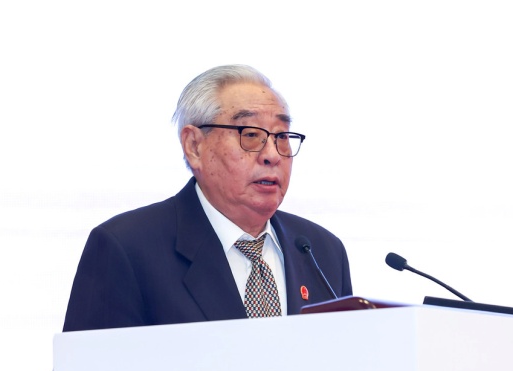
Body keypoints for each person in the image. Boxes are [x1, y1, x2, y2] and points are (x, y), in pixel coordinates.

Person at [61, 64, 352, 333]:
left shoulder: (323, 251)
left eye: (282, 136)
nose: (272, 155)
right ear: (194, 146)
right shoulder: (127, 248)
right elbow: (85, 370)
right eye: (251, 134)